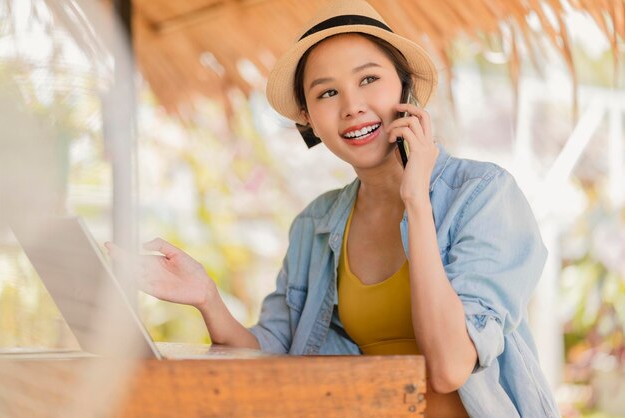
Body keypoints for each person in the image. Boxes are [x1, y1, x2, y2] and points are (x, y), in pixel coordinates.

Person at [107, 0, 560, 416]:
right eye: (327, 93)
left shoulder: (483, 195)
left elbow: (448, 367)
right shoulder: (317, 224)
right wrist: (207, 297)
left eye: (368, 79)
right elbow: (269, 353)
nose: (352, 107)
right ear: (308, 118)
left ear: (404, 87)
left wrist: (416, 201)